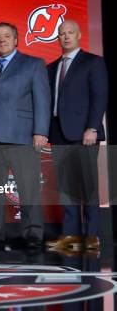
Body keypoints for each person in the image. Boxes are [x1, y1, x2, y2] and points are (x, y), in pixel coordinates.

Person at [0, 22, 51, 250]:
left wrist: (40, 131)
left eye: (7, 36)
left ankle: (33, 234)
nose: (2, 40)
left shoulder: (33, 64)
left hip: (21, 135)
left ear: (16, 39)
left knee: (28, 188)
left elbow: (42, 100)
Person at [45, 20, 108, 251]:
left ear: (79, 34)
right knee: (65, 188)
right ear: (58, 38)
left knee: (87, 186)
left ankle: (92, 237)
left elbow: (99, 96)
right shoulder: (51, 68)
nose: (66, 36)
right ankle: (70, 236)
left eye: (70, 32)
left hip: (84, 134)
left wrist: (92, 127)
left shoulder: (93, 62)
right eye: (62, 34)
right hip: (59, 132)